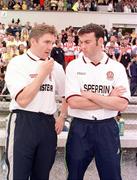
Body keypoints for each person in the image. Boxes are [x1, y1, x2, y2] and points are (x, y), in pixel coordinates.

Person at [65, 23, 130, 180]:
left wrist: (91, 96)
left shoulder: (117, 68)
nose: (82, 46)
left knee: (112, 176)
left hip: (107, 127)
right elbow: (74, 102)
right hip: (80, 127)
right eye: (80, 42)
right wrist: (109, 99)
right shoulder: (74, 66)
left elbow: (122, 104)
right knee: (74, 175)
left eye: (87, 42)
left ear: (100, 41)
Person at [5, 24, 67, 180]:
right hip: (23, 121)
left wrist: (62, 116)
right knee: (18, 174)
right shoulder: (17, 63)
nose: (50, 46)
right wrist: (42, 74)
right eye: (46, 42)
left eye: (52, 42)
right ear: (33, 41)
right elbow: (23, 100)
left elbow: (66, 94)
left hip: (47, 123)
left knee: (42, 175)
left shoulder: (56, 67)